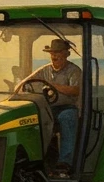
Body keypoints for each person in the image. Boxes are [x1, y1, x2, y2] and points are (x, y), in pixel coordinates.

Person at [21, 38, 82, 174]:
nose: (55, 56)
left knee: (67, 118)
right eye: (53, 53)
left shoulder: (73, 71)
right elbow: (27, 82)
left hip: (66, 107)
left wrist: (53, 86)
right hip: (47, 107)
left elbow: (75, 90)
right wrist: (23, 86)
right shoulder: (44, 70)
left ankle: (65, 163)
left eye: (59, 52)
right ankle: (36, 161)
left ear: (66, 54)